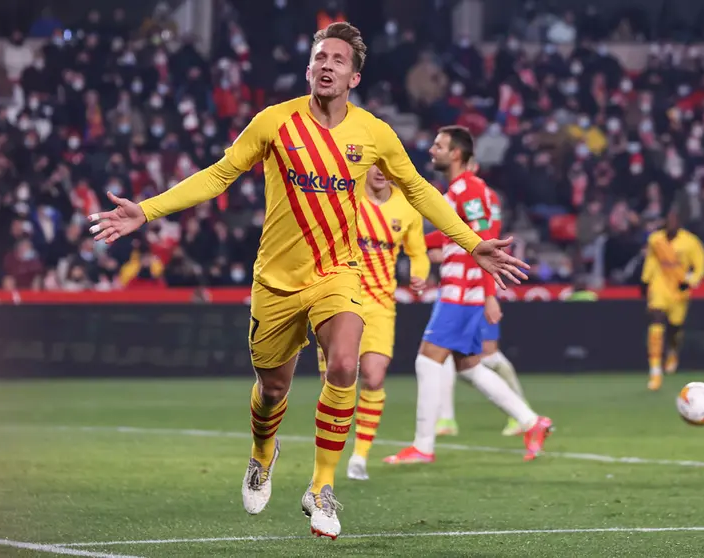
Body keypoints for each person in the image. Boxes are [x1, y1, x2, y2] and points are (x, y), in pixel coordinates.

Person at [87, 23, 530, 540]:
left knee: (345, 364)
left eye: (339, 60)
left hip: (338, 275)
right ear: (309, 68)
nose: (327, 65)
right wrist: (146, 210)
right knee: (272, 390)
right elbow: (218, 175)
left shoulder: (374, 134)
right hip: (275, 284)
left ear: (354, 76)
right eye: (321, 57)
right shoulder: (274, 122)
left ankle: (322, 487)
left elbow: (420, 190)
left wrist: (472, 243)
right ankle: (261, 454)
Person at [383, 126, 551, 466]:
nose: (432, 150)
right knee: (469, 367)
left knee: (427, 358)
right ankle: (532, 421)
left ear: (455, 154)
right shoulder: (464, 190)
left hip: (463, 292)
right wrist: (403, 242)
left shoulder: (468, 188)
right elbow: (454, 236)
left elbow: (485, 239)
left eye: (439, 145)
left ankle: (423, 446)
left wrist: (490, 293)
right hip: (463, 290)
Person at [316, 164, 429, 481]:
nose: (381, 171)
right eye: (374, 164)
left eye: (386, 165)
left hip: (380, 304)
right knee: (336, 381)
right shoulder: (344, 198)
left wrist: (419, 272)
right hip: (339, 299)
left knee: (374, 376)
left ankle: (360, 457)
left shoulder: (406, 208)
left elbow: (418, 252)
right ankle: (327, 458)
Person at [432, 158, 529, 439]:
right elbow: (462, 233)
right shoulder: (479, 194)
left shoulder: (472, 192)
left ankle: (522, 414)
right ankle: (446, 419)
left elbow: (483, 238)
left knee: (487, 355)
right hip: (463, 282)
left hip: (475, 283)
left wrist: (489, 294)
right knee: (445, 353)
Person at [641, 204, 704, 391]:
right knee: (656, 319)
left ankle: (673, 352)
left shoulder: (690, 242)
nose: (671, 223)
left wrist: (691, 281)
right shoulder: (656, 240)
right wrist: (645, 280)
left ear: (680, 222)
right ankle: (655, 372)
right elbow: (651, 261)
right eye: (668, 219)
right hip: (659, 286)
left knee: (674, 329)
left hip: (679, 290)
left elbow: (700, 265)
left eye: (674, 219)